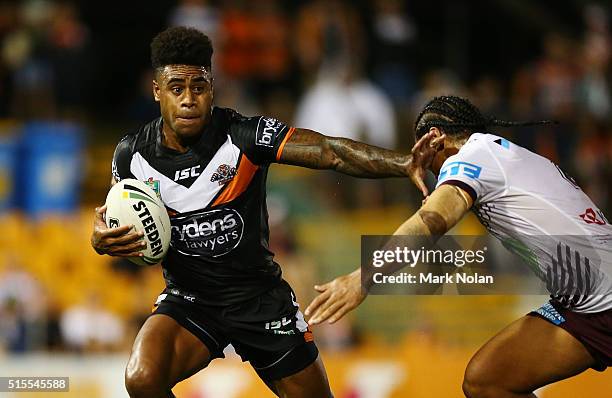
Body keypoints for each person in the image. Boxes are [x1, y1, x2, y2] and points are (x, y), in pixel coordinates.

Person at [90, 26, 440, 398]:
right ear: (158, 90)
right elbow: (123, 225)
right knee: (142, 378)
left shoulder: (245, 135)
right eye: (177, 89)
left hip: (259, 300)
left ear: (213, 87)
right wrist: (102, 240)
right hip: (191, 303)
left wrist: (403, 163)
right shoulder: (132, 155)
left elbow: (328, 151)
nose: (189, 99)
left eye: (199, 87)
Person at [305, 95, 611, 398]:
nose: (428, 171)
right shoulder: (504, 155)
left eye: (426, 160)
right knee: (486, 380)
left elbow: (432, 221)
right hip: (584, 305)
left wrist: (362, 278)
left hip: (603, 297)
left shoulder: (470, 157)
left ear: (435, 138)